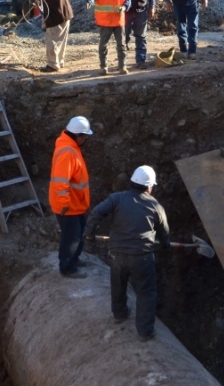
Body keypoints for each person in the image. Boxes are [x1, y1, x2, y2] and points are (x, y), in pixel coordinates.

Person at [85, 165, 170, 342]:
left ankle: (119, 314)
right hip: (142, 257)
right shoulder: (155, 206)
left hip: (116, 254)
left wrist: (89, 234)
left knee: (118, 284)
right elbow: (164, 233)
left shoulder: (117, 198)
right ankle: (145, 331)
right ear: (149, 187)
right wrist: (165, 245)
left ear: (132, 182)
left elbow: (96, 213)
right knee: (146, 292)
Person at [50, 116, 94, 278]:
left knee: (78, 234)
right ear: (78, 135)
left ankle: (74, 259)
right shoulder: (67, 152)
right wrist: (64, 203)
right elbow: (60, 181)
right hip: (68, 206)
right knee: (71, 238)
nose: (86, 139)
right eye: (85, 136)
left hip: (76, 204)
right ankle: (67, 267)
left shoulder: (71, 147)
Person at [87, 0, 132, 75]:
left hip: (118, 21)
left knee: (121, 45)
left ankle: (122, 66)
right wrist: (90, 1)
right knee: (103, 45)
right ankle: (103, 67)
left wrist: (125, 7)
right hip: (105, 21)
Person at [31, 0, 74, 73]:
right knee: (60, 40)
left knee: (52, 40)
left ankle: (53, 65)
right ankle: (59, 62)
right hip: (62, 13)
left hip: (57, 15)